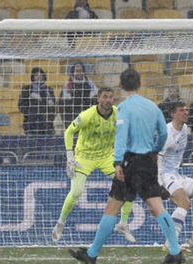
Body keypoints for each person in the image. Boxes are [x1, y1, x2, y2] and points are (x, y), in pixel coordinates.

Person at [68, 68, 184, 264]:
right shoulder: (153, 107)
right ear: (140, 84)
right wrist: (155, 150)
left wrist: (118, 162)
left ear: (121, 86)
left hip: (130, 162)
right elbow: (163, 135)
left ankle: (92, 254)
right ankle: (175, 251)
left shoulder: (123, 108)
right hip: (148, 161)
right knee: (157, 206)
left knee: (112, 207)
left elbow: (121, 136)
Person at [52, 87, 135, 243]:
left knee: (129, 184)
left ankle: (123, 223)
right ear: (98, 99)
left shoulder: (118, 114)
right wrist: (70, 155)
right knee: (76, 192)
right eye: (105, 97)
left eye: (111, 97)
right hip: (84, 157)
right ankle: (60, 223)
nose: (109, 100)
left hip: (106, 156)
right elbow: (68, 132)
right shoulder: (87, 115)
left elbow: (127, 131)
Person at [158, 101, 193, 252]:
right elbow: (155, 159)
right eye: (181, 110)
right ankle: (170, 242)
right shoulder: (166, 133)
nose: (186, 112)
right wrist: (158, 183)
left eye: (186, 109)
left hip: (175, 175)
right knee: (184, 202)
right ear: (172, 114)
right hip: (164, 175)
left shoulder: (184, 128)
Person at [59, 62, 98, 129]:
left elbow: (95, 100)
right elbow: (63, 104)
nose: (78, 73)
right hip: (72, 115)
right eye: (76, 71)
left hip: (87, 113)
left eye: (80, 71)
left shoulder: (90, 84)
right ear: (73, 72)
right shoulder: (67, 85)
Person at [18, 67, 56, 135]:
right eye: (36, 75)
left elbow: (54, 106)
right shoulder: (27, 89)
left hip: (46, 124)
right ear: (32, 77)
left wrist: (49, 117)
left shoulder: (49, 90)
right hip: (31, 123)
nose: (39, 77)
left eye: (40, 75)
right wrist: (31, 113)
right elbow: (21, 105)